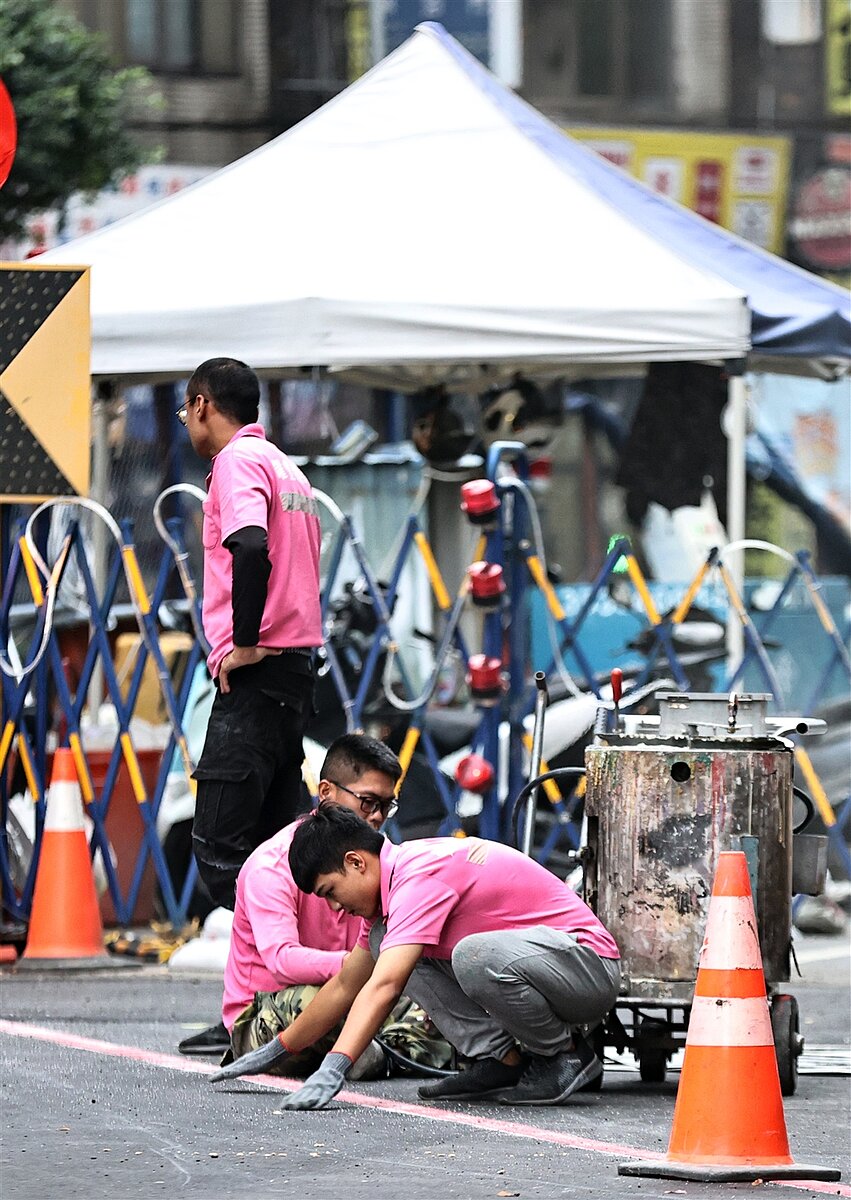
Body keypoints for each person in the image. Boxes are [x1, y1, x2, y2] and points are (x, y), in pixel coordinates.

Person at [211, 805, 620, 1108]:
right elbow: (346, 985)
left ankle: (563, 1056)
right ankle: (502, 1058)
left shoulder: (418, 876)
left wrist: (332, 1070)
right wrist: (276, 1050)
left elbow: (385, 987)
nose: (334, 908)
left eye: (330, 892)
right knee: (387, 944)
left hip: (587, 970)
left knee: (471, 955)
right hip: (546, 972)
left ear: (355, 862)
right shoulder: (388, 904)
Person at [177, 357, 322, 1055]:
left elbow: (249, 547)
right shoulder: (285, 468)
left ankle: (301, 975)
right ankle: (258, 1010)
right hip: (294, 673)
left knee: (221, 853)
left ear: (204, 403)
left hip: (258, 677)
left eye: (185, 408)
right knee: (277, 848)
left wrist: (238, 641)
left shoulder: (238, 464)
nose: (184, 422)